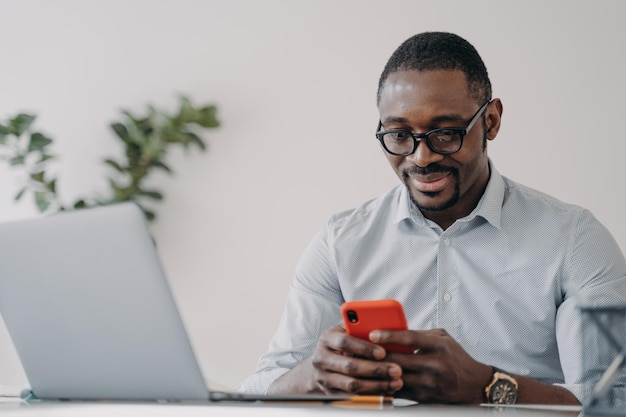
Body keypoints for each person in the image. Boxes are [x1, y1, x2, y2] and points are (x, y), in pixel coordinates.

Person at [238, 32, 626, 405]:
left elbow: (613, 400)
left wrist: (489, 385)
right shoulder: (339, 242)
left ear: (490, 120)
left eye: (445, 133)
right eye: (399, 135)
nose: (421, 158)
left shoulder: (574, 239)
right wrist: (313, 375)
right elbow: (257, 388)